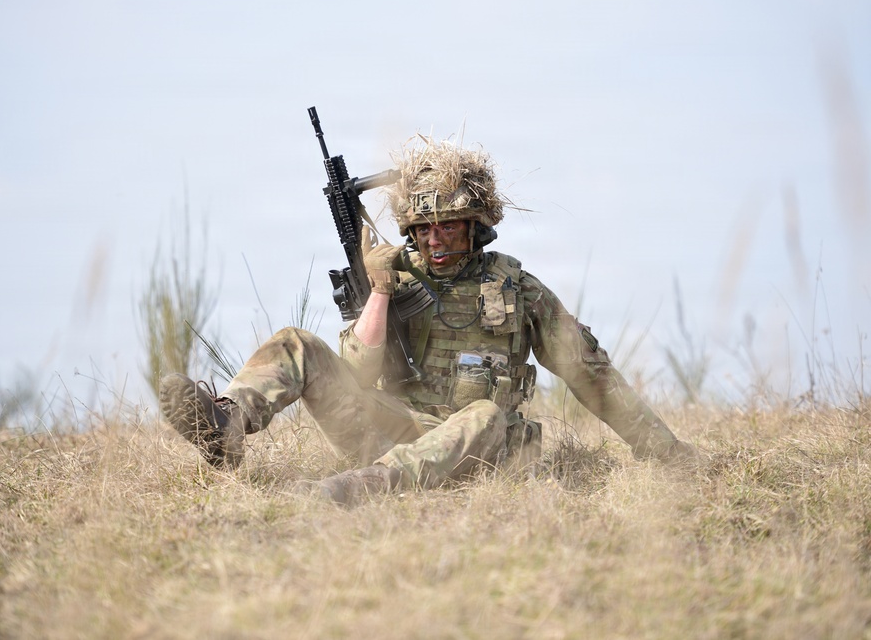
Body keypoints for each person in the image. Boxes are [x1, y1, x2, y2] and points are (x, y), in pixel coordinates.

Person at [159, 136, 697, 505]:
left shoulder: (517, 289)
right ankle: (226, 426)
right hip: (394, 430)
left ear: (475, 227)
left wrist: (666, 451)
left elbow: (591, 374)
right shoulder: (395, 275)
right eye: (422, 230)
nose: (433, 241)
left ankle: (358, 488)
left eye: (447, 227)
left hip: (487, 445)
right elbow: (357, 373)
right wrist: (379, 291)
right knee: (295, 342)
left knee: (485, 412)